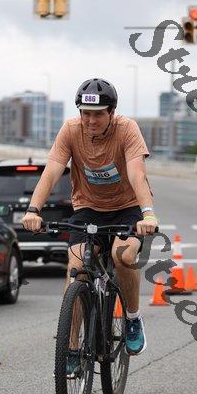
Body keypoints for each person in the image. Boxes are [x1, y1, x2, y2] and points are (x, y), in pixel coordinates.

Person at [22, 78, 158, 373]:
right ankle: (71, 348)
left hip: (127, 207)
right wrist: (34, 209)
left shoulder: (127, 129)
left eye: (98, 114)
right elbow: (52, 172)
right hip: (87, 208)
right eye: (85, 113)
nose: (90, 120)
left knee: (123, 256)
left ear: (112, 112)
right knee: (76, 269)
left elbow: (137, 174)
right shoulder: (71, 130)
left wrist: (148, 215)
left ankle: (132, 318)